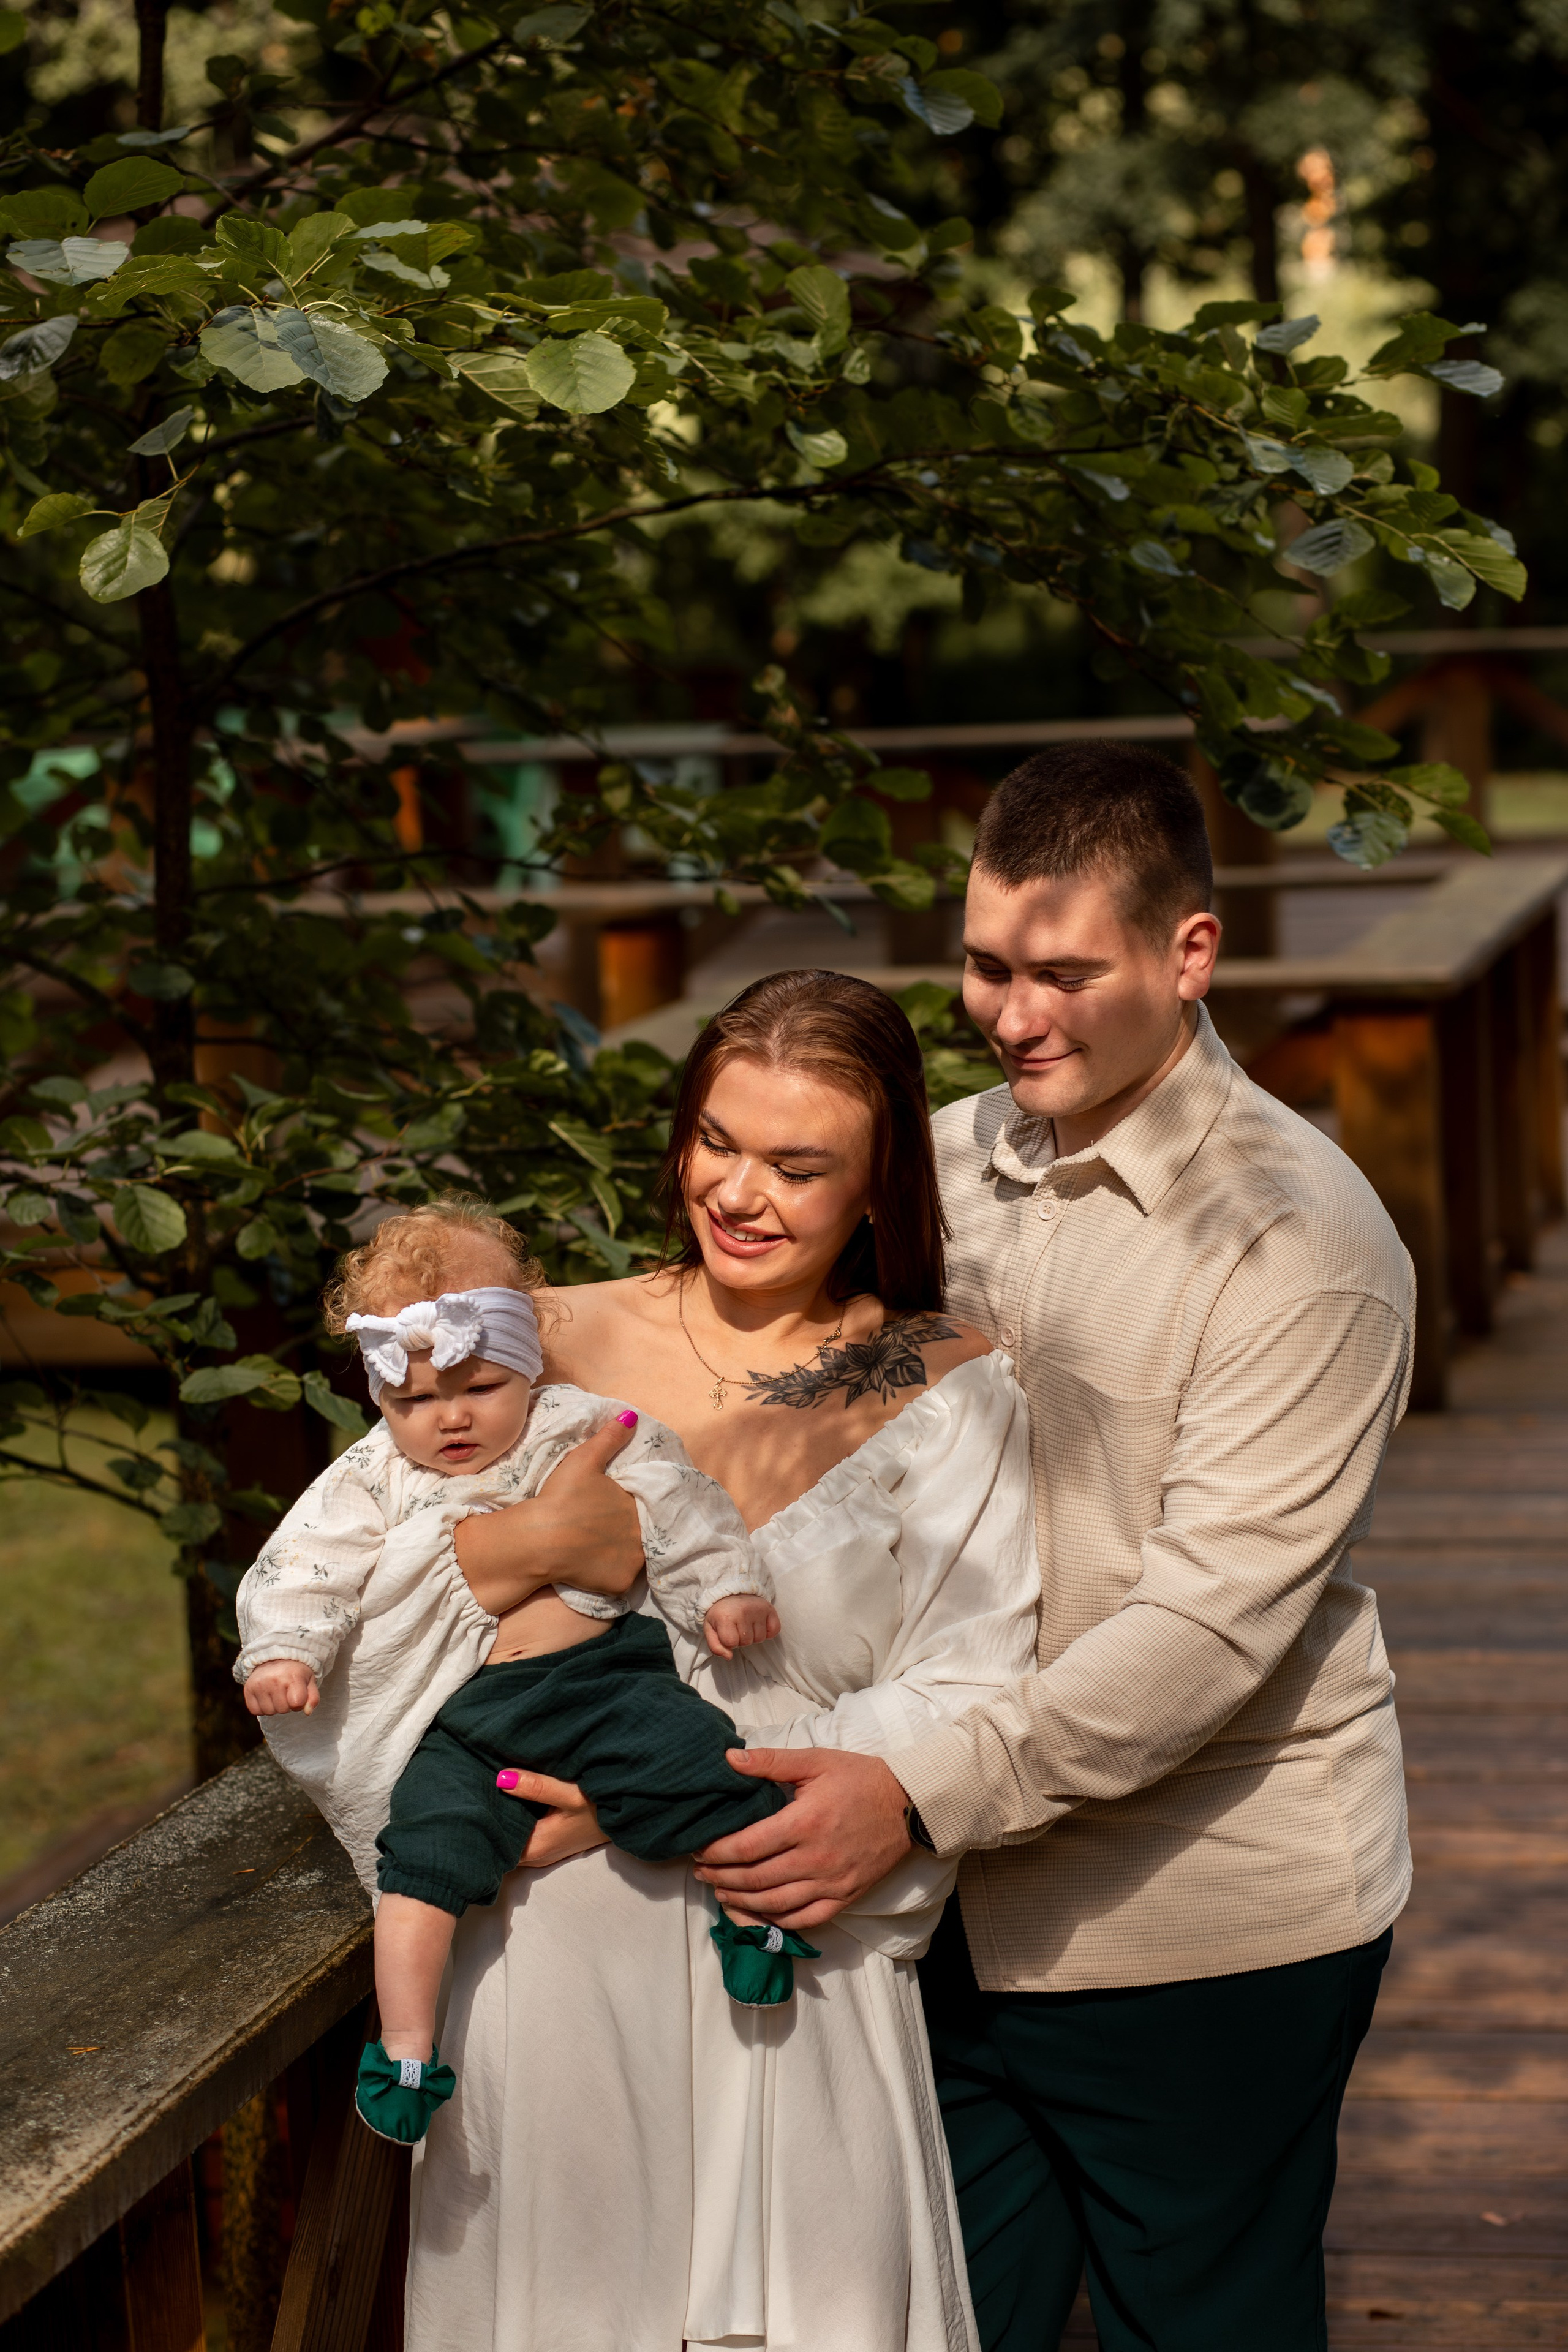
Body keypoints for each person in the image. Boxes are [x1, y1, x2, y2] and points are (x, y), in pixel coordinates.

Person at [695, 744, 1415, 2352]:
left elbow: (1207, 1636)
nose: (1016, 1016)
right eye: (986, 967)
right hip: (933, 1910)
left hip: (1202, 1933)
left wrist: (908, 1791)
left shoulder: (1303, 1247)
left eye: (1067, 974)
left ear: (1189, 954)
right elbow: (816, 1425)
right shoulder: (942, 1167)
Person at [407, 972, 1042, 2352]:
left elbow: (975, 1672)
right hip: (550, 1954)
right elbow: (364, 1593)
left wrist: (673, 1785)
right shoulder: (535, 1339)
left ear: (884, 1186)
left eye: (796, 1164)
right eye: (716, 1141)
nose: (739, 1193)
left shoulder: (935, 1378)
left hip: (782, 1933)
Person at [233, 1197, 805, 2151]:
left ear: (527, 1364)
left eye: (478, 1387)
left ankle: (756, 1920)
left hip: (603, 1679)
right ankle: (408, 2047)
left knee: (705, 1763)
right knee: (421, 1856)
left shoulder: (583, 1427)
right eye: (410, 1401)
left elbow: (682, 1505)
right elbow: (307, 1563)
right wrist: (287, 1653)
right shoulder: (373, 1473)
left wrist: (726, 1590)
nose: (447, 1419)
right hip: (469, 1713)